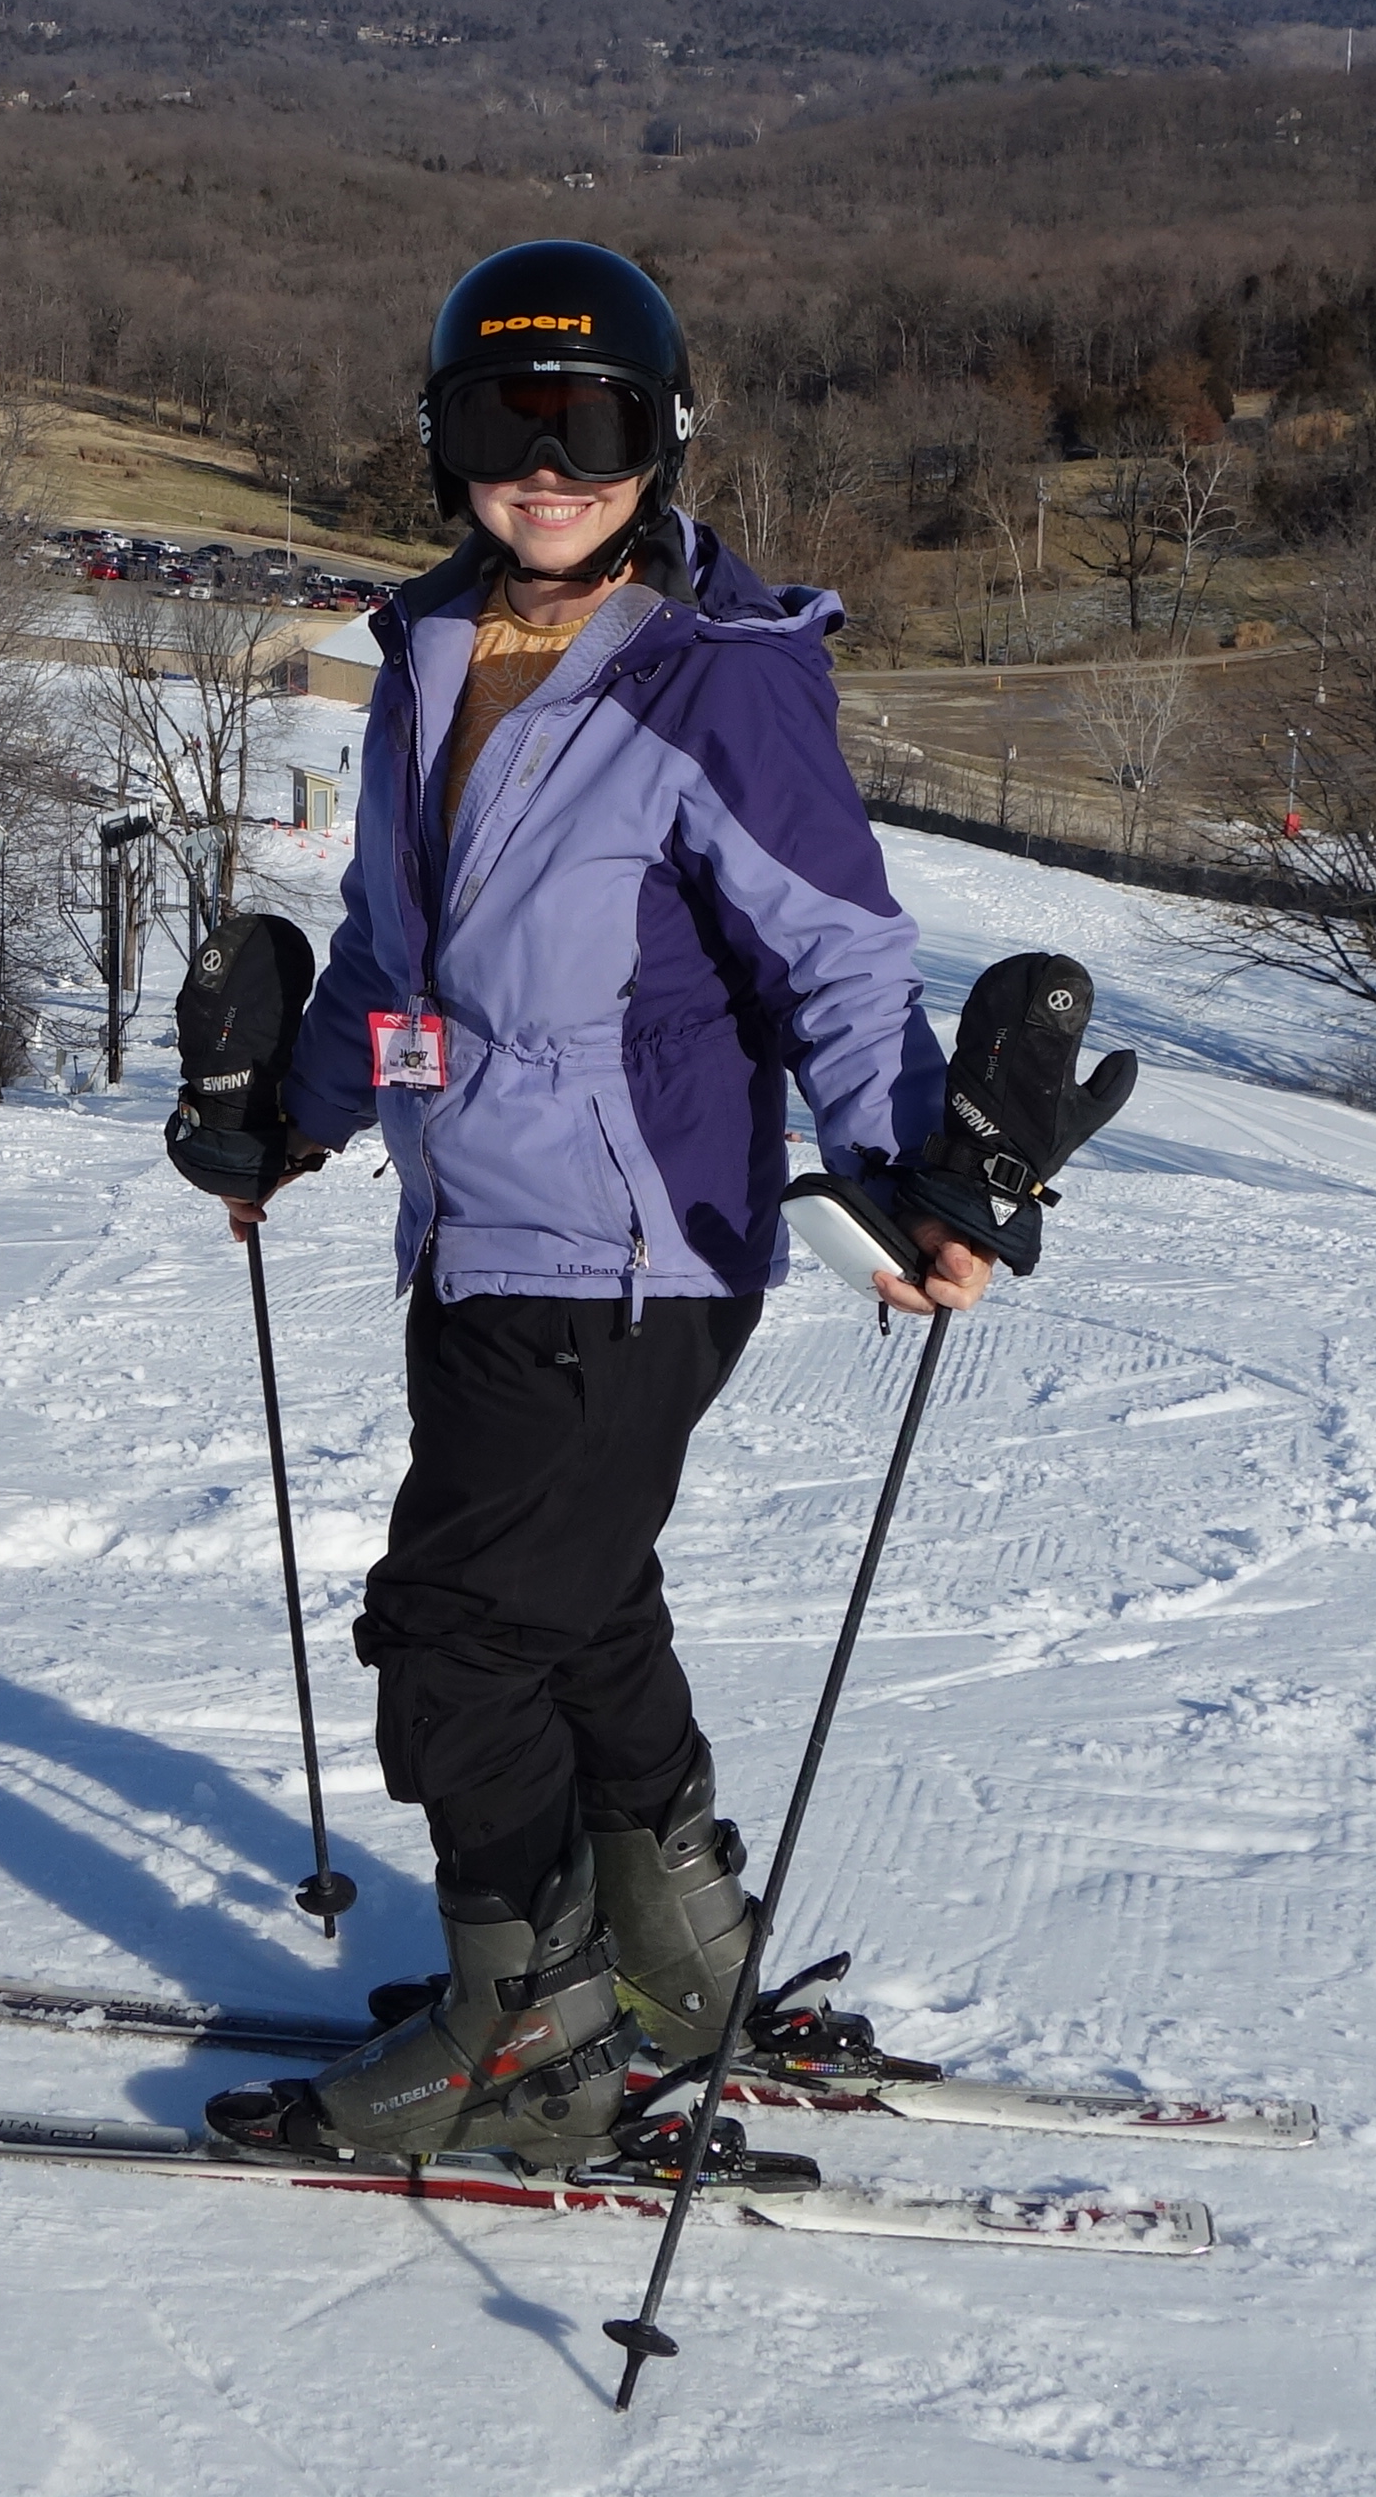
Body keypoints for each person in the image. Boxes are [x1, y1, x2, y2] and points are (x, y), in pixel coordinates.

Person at [198, 237, 985, 2170]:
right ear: (440, 438)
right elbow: (395, 952)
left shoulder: (721, 684)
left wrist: (907, 1175)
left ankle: (525, 2029)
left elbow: (843, 966)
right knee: (575, 1605)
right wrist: (288, 1127)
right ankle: (671, 1958)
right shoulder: (436, 650)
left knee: (462, 1628)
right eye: (499, 419)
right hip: (477, 1230)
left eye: (594, 424)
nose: (545, 468)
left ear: (668, 439)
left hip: (631, 1251)